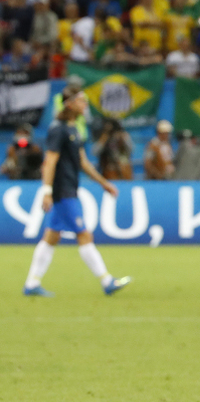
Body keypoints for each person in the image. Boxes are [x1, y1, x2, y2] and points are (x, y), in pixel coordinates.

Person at [23, 89, 131, 297]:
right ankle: (107, 281)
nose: (85, 105)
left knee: (51, 237)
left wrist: (103, 183)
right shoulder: (58, 129)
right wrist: (46, 191)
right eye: (82, 101)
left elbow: (83, 161)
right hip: (62, 190)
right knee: (83, 234)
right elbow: (50, 162)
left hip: (69, 187)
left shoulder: (74, 129)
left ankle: (31, 284)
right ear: (70, 104)